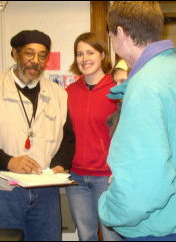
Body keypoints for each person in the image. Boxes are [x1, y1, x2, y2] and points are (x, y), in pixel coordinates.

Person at [98, 1, 176, 241]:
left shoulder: (145, 86)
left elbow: (142, 187)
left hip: (163, 230)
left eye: (112, 35)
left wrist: (107, 207)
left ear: (121, 34)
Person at [0, 30, 75, 241]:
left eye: (42, 56)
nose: (35, 61)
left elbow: (67, 140)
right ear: (15, 53)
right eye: (29, 54)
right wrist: (9, 161)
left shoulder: (59, 95)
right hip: (3, 193)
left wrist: (59, 165)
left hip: (46, 194)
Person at [65, 32, 123, 241]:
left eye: (90, 52)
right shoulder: (69, 92)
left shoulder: (117, 90)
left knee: (111, 237)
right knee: (85, 235)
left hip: (106, 177)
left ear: (102, 54)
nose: (84, 58)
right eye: (79, 54)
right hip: (76, 179)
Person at [106, 59, 129, 137]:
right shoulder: (120, 111)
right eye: (116, 82)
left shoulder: (144, 111)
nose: (117, 86)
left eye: (122, 81)